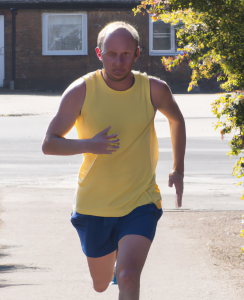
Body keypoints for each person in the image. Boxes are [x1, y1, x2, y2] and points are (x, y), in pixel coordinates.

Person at [42, 21, 186, 300]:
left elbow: (176, 119)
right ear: (99, 53)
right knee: (100, 284)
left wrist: (178, 169)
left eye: (125, 54)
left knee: (129, 277)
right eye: (111, 54)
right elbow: (49, 143)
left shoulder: (154, 90)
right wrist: (90, 145)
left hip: (140, 201)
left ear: (137, 54)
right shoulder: (80, 91)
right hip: (94, 205)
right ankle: (113, 259)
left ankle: (124, 258)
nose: (118, 62)